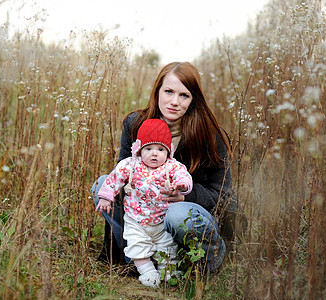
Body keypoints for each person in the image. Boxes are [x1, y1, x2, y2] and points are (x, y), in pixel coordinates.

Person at [91, 61, 242, 278]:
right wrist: (133, 186)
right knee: (102, 185)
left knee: (178, 214)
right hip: (142, 216)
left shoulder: (210, 135)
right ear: (157, 91)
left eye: (184, 95)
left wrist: (186, 195)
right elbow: (122, 171)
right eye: (169, 91)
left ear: (193, 100)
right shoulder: (135, 124)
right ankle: (136, 257)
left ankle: (203, 263)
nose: (174, 102)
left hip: (181, 218)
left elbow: (224, 195)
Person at [96, 118, 193, 287]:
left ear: (168, 151)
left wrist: (182, 185)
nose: (154, 153)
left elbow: (184, 176)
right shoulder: (131, 165)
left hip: (161, 220)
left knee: (167, 247)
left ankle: (168, 271)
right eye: (148, 148)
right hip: (136, 219)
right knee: (137, 246)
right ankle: (147, 272)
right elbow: (114, 178)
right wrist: (106, 196)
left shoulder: (171, 166)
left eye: (160, 149)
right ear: (139, 149)